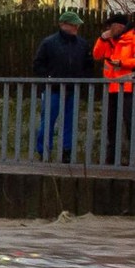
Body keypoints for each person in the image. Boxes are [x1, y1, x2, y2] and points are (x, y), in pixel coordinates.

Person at [31, 9, 95, 162]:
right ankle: (44, 151)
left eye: (76, 25)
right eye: (74, 25)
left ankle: (67, 151)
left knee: (70, 122)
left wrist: (83, 79)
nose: (76, 28)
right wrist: (49, 78)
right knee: (48, 121)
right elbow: (38, 64)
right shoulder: (49, 43)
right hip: (53, 88)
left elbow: (88, 65)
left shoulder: (82, 44)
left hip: (73, 89)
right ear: (64, 25)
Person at [92, 12, 135, 165]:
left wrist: (122, 63)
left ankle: (134, 158)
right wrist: (102, 39)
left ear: (119, 26)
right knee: (111, 123)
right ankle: (111, 157)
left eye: (111, 25)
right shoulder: (109, 39)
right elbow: (96, 55)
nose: (109, 28)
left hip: (128, 87)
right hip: (111, 88)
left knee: (130, 122)